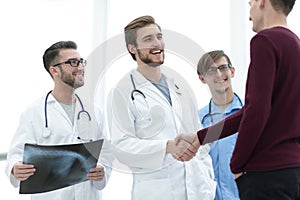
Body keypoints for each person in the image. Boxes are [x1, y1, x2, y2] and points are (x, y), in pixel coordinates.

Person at [176, 0, 300, 199]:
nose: (249, 11)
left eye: (250, 3)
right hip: (292, 172)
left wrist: (237, 165)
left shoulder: (265, 40)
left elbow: (256, 111)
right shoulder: (295, 44)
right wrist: (200, 137)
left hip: (265, 176)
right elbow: (251, 111)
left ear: (262, 2)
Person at [98, 15, 216, 200]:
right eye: (148, 39)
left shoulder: (179, 87)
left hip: (199, 189)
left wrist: (206, 173)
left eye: (159, 36)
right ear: (132, 48)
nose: (157, 43)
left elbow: (197, 133)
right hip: (158, 191)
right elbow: (122, 147)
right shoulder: (122, 92)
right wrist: (166, 147)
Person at [5, 41, 110, 200]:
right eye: (73, 63)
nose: (80, 67)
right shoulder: (34, 112)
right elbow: (16, 154)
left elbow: (106, 152)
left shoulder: (94, 111)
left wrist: (102, 170)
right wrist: (15, 168)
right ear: (54, 70)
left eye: (81, 62)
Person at [197, 50, 242, 200]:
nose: (218, 74)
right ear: (202, 78)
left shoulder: (250, 116)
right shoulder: (197, 120)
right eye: (211, 70)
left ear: (232, 71)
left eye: (223, 68)